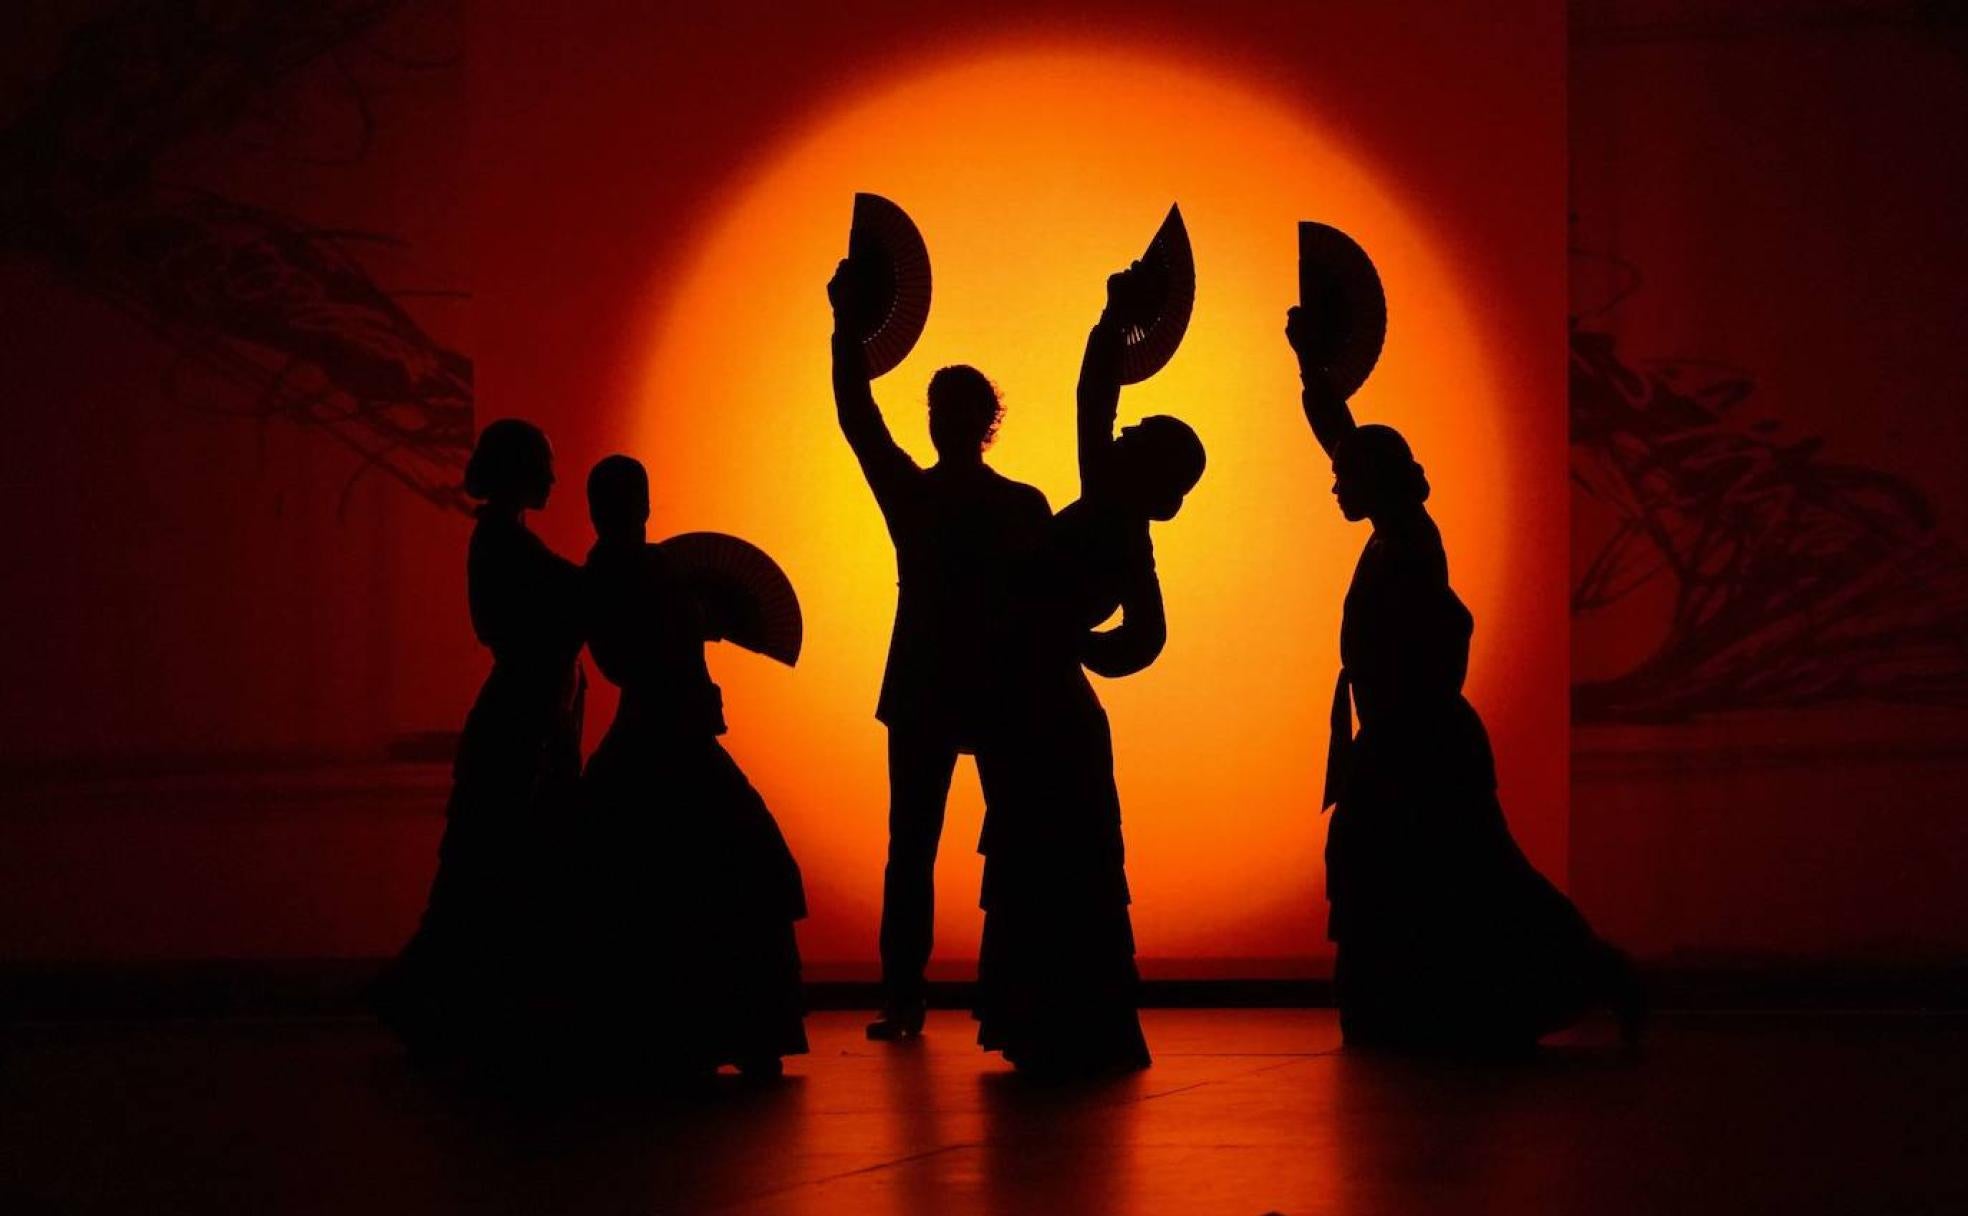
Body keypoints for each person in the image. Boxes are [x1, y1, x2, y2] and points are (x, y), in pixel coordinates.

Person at [1285, 305, 1644, 1053]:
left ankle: (1586, 975)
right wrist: (1310, 368)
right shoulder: (1394, 533)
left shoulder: (1411, 540)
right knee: (1434, 875)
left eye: (1346, 478)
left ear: (1377, 482)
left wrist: (1316, 371)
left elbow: (1428, 641)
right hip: (1401, 739)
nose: (1335, 486)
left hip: (1420, 742)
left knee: (1468, 877)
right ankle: (1416, 1004)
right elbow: (1344, 439)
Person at [973, 265, 1206, 1076]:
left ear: (1149, 469)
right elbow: (1146, 637)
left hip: (1038, 701)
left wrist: (1111, 324)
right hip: (1051, 701)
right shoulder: (1127, 533)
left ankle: (1048, 1021)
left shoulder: (1111, 514)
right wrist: (1083, 646)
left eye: (1138, 439)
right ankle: (1068, 1022)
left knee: (1041, 859)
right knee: (1060, 863)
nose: (1123, 435)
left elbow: (1091, 401)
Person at [829, 261, 1053, 1040]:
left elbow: (858, 417)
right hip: (995, 686)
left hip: (930, 682)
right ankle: (1020, 994)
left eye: (943, 410)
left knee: (913, 848)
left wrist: (846, 331)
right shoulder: (1021, 505)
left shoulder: (916, 495)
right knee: (1007, 839)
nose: (938, 422)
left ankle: (905, 997)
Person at [574, 454, 808, 1078]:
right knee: (738, 868)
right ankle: (738, 1030)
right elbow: (654, 652)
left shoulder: (604, 573)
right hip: (676, 733)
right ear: (639, 505)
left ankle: (659, 1035)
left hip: (644, 736)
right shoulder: (649, 571)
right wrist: (692, 623)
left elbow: (619, 658)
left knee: (642, 883)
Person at [372, 419, 586, 1063]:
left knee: (484, 873)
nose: (553, 478)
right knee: (486, 872)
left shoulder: (504, 541)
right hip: (518, 729)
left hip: (523, 723)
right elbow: (571, 598)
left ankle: (451, 1000)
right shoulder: (507, 545)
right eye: (543, 465)